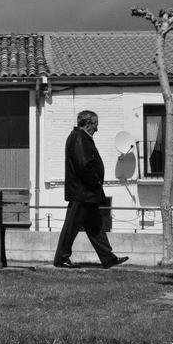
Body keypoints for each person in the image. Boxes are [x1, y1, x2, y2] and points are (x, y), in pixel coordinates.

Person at [53, 110, 129, 269]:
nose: (97, 129)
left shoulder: (81, 138)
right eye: (95, 125)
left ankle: (108, 258)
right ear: (87, 124)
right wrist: (95, 182)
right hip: (83, 193)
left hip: (88, 193)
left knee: (95, 227)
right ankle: (61, 258)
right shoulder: (79, 138)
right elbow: (83, 165)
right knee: (71, 227)